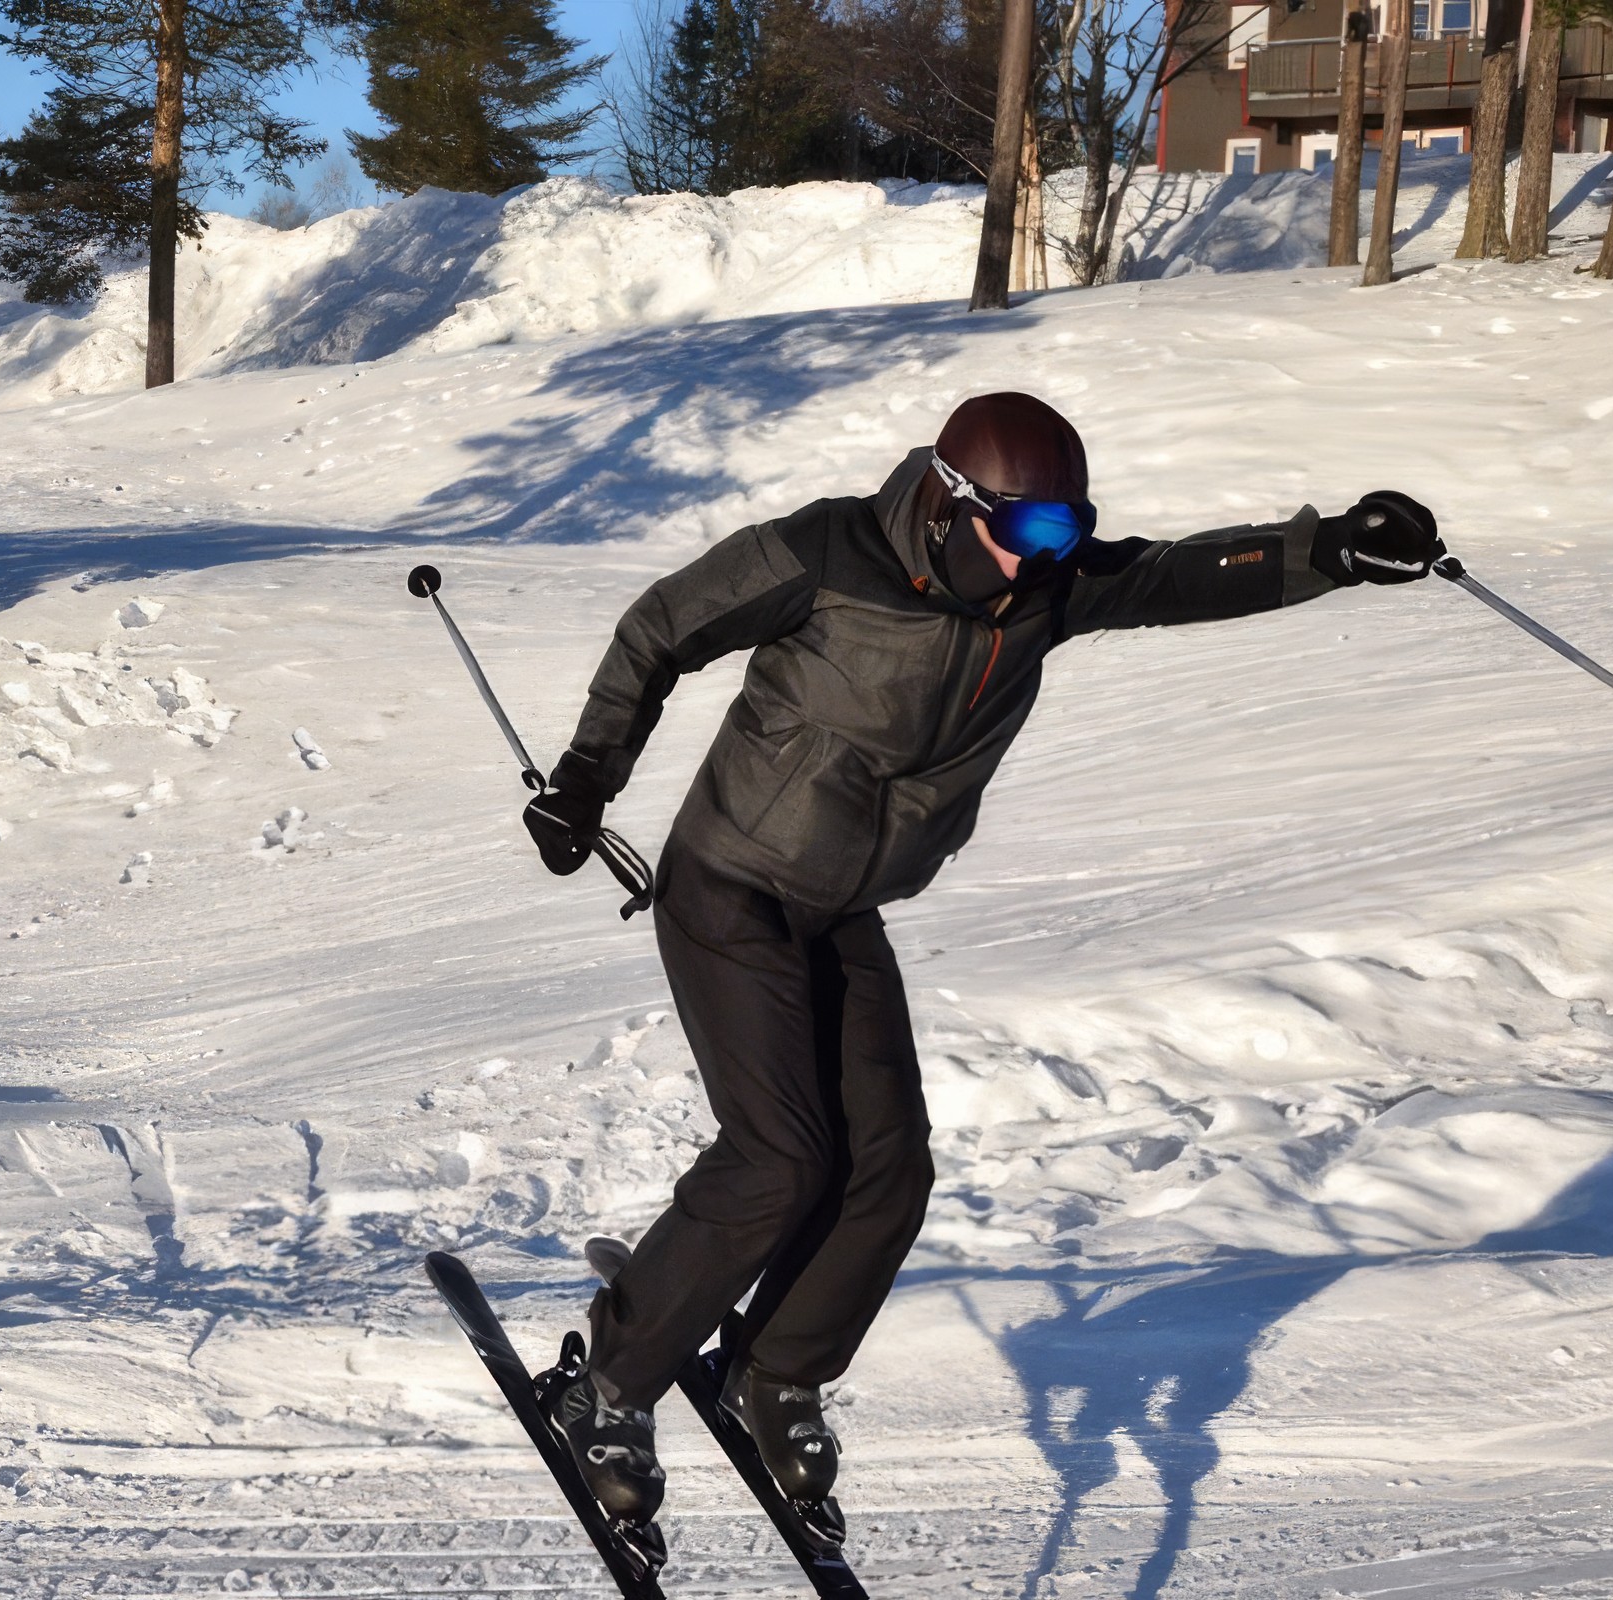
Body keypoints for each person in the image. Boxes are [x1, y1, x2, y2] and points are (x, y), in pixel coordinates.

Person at [520, 392, 1443, 1530]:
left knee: (892, 1168)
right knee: (781, 1157)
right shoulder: (827, 551)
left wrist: (1330, 548)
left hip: (843, 909)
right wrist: (583, 777)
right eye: (1032, 530)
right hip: (732, 886)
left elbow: (1185, 573)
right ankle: (606, 1383)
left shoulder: (1044, 590)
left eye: (1070, 529)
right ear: (951, 505)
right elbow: (660, 626)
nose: (1045, 559)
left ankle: (778, 1368)